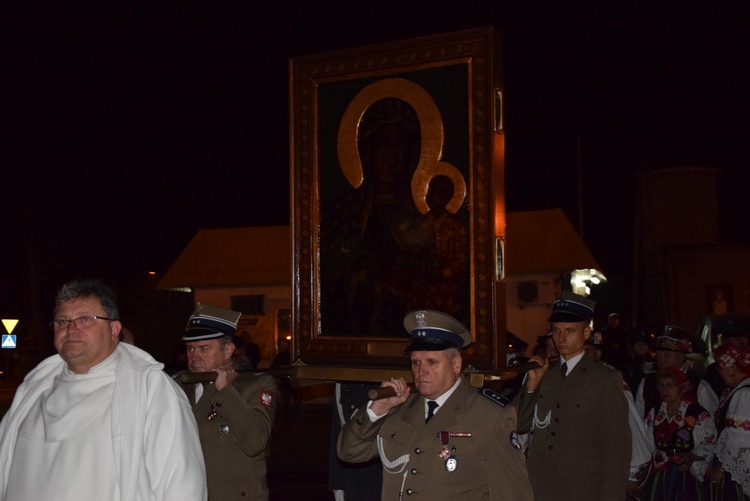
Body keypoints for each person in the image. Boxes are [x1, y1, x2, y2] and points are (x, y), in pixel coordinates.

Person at [0, 278, 207, 500]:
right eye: (62, 321)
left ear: (113, 329)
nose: (71, 329)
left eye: (85, 319)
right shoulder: (33, 390)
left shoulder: (150, 392)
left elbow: (182, 485)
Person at [337, 309, 534, 500]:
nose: (421, 372)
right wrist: (376, 411)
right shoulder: (399, 408)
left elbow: (513, 494)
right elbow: (350, 453)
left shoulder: (490, 416)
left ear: (456, 364)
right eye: (416, 363)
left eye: (431, 362)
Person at [514, 291, 631, 501]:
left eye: (570, 331)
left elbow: (616, 452)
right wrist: (531, 385)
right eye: (556, 331)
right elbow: (519, 425)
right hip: (539, 488)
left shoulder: (604, 379)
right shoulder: (544, 373)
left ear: (586, 333)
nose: (561, 338)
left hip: (582, 489)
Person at [174, 303, 278, 500]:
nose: (194, 357)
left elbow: (255, 442)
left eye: (204, 349)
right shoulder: (178, 385)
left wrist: (226, 392)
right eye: (190, 349)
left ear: (228, 350)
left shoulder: (255, 384)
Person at [640, 367, 716, 500]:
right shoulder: (656, 411)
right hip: (659, 470)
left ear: (682, 387)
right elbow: (646, 441)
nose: (664, 390)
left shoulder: (696, 414)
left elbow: (710, 441)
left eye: (669, 385)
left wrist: (691, 456)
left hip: (686, 472)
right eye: (661, 385)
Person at [705, 337, 750, 498]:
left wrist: (720, 467)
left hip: (737, 476)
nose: (718, 371)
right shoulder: (738, 391)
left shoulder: (743, 395)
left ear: (732, 368)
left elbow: (736, 443)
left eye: (720, 367)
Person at [328, 382, 382, 501]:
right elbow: (338, 431)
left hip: (384, 475)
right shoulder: (345, 379)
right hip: (354, 477)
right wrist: (337, 484)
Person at [636, 332, 702, 418]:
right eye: (658, 356)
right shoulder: (647, 382)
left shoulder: (697, 384)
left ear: (681, 357)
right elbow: (639, 416)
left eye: (666, 356)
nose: (661, 360)